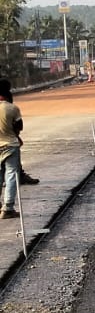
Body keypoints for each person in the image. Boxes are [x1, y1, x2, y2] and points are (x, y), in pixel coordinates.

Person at [0, 77, 30, 218]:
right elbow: (19, 126)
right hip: (10, 145)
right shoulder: (12, 108)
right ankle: (8, 208)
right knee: (11, 174)